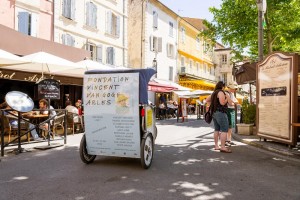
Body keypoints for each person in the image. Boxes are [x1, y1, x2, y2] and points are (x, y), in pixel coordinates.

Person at [206, 81, 233, 153]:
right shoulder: (221, 92)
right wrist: (227, 97)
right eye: (224, 87)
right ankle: (223, 147)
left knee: (216, 129)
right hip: (221, 112)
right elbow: (223, 103)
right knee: (224, 129)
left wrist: (211, 104)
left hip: (214, 112)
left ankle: (216, 146)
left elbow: (207, 100)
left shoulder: (214, 93)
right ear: (222, 86)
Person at [225, 82, 239, 146]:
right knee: (227, 126)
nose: (235, 90)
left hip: (231, 110)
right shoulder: (226, 93)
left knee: (230, 126)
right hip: (228, 110)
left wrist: (232, 102)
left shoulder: (231, 94)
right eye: (234, 88)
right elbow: (231, 103)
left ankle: (229, 140)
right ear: (230, 88)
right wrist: (233, 102)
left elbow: (236, 102)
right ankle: (226, 140)